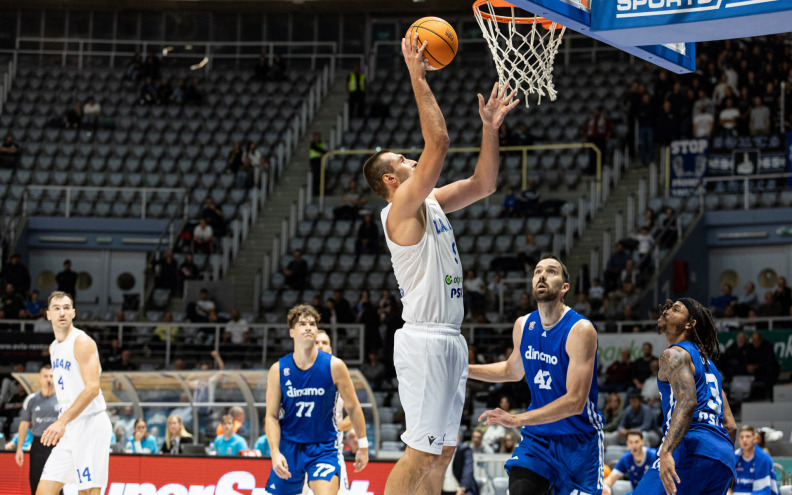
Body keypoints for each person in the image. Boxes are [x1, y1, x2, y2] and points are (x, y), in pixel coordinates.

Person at [361, 32, 518, 495]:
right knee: (422, 452)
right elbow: (441, 140)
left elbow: (484, 183)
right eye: (404, 159)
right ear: (391, 179)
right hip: (425, 339)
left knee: (443, 453)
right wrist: (417, 75)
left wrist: (489, 128)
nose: (413, 158)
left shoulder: (429, 203)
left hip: (450, 338)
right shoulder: (401, 209)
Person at [469, 256, 603, 495]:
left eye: (551, 272)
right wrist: (463, 370)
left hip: (579, 441)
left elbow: (575, 402)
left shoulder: (580, 329)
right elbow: (512, 370)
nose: (542, 275)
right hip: (538, 438)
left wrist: (516, 419)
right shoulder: (523, 324)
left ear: (564, 288)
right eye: (537, 271)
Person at [633, 298, 737, 495]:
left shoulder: (673, 355)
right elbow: (731, 425)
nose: (666, 311)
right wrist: (723, 461)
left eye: (675, 309)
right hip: (723, 457)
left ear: (690, 324)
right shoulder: (710, 368)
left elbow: (688, 401)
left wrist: (666, 451)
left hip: (691, 447)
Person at [265, 305, 369, 495]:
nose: (308, 327)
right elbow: (271, 416)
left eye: (312, 324)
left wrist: (363, 445)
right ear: (291, 332)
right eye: (302, 324)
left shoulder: (335, 366)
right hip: (290, 446)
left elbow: (353, 407)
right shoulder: (277, 370)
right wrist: (274, 451)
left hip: (323, 447)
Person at [37, 291, 112, 495]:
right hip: (69, 427)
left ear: (73, 313)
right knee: (44, 491)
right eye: (57, 308)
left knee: (87, 493)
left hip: (90, 424)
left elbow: (92, 388)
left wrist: (61, 421)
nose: (62, 312)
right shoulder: (54, 348)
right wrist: (63, 421)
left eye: (66, 308)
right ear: (48, 315)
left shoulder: (82, 341)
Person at [14, 364, 59, 495]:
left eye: (51, 376)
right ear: (40, 378)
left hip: (57, 445)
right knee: (35, 481)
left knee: (57, 483)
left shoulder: (62, 399)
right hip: (38, 444)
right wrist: (19, 449)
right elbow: (24, 424)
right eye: (45, 376)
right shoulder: (31, 399)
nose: (49, 379)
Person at [603, 429, 658, 494]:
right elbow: (611, 478)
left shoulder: (654, 456)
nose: (634, 445)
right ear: (627, 443)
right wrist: (606, 486)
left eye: (636, 442)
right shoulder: (626, 458)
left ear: (642, 442)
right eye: (631, 442)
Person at [731, 425, 779, 495]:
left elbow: (763, 490)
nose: (744, 440)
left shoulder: (764, 459)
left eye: (748, 436)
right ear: (739, 440)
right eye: (742, 437)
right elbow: (728, 486)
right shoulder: (734, 457)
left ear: (754, 439)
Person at [309, 132, 326, 196]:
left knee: (321, 176)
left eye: (318, 137)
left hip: (320, 160)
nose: (317, 138)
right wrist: (326, 152)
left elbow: (320, 150)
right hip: (314, 160)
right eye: (316, 137)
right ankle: (315, 191)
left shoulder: (320, 143)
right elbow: (317, 149)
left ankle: (320, 191)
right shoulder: (313, 143)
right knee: (316, 176)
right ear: (314, 137)